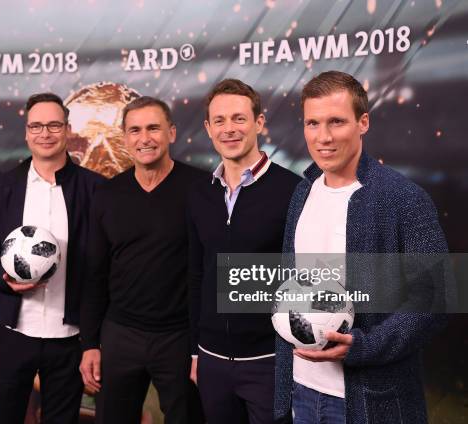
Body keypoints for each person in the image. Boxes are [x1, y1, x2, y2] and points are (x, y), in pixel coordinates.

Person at [274, 70, 449, 424]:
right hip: (300, 392)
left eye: (336, 122)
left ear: (363, 122)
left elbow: (434, 301)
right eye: (312, 123)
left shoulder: (403, 198)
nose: (323, 137)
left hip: (369, 401)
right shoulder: (302, 192)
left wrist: (364, 346)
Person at [0, 92, 104, 424]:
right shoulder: (4, 188)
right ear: (26, 132)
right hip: (14, 333)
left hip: (70, 339)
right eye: (36, 126)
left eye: (53, 125)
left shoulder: (95, 189)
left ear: (66, 128)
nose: (44, 133)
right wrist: (4, 282)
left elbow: (101, 268)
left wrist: (93, 340)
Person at [79, 96, 207, 424]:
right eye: (135, 130)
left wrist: (200, 346)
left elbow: (210, 269)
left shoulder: (201, 189)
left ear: (172, 133)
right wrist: (90, 344)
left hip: (179, 337)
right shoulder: (107, 195)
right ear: (125, 138)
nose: (144, 138)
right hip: (120, 335)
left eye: (153, 128)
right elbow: (94, 274)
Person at [186, 79, 301, 424]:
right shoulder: (199, 193)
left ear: (259, 123)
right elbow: (196, 274)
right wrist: (195, 352)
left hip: (271, 361)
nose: (229, 129)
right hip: (211, 362)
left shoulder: (293, 190)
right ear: (208, 128)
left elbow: (305, 278)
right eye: (219, 121)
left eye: (239, 118)